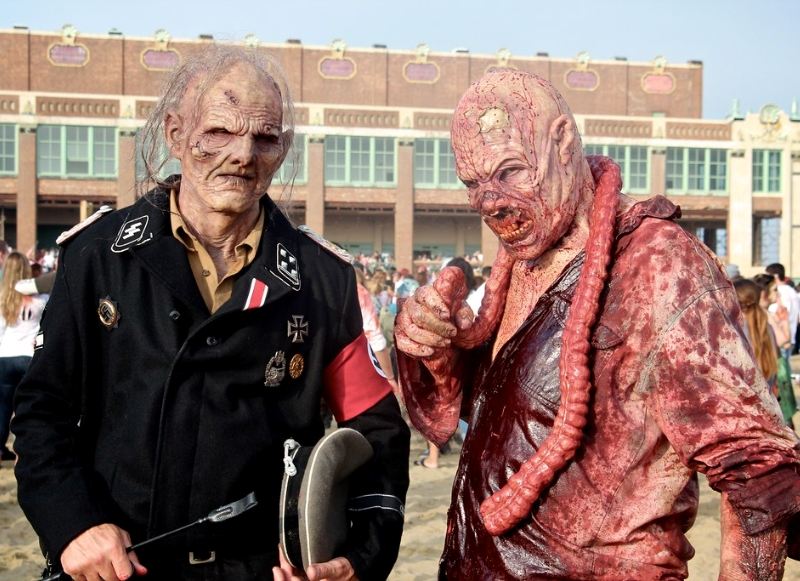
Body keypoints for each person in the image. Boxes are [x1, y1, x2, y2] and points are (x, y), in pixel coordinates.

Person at [12, 46, 409, 581]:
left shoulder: (322, 280)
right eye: (220, 131)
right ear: (175, 134)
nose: (243, 154)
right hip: (120, 569)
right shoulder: (99, 257)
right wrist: (73, 525)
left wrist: (360, 557)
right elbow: (43, 414)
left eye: (265, 138)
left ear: (284, 149)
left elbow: (377, 432)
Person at [395, 70, 800, 579]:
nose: (489, 202)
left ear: (563, 142)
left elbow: (756, 470)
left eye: (510, 171)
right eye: (472, 184)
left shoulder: (656, 264)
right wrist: (434, 344)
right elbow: (512, 411)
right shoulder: (526, 257)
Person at [0, 252, 45, 463]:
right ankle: (23, 453)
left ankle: (1, 449)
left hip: (4, 357)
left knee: (2, 407)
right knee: (26, 409)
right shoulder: (40, 299)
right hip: (28, 357)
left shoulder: (2, 298)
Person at [766, 263, 800, 362]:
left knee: (781, 373)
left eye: (768, 275)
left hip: (780, 339)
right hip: (791, 335)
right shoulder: (792, 291)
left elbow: (777, 315)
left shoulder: (779, 291)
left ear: (775, 276)